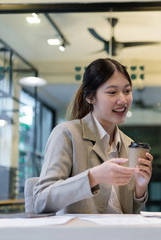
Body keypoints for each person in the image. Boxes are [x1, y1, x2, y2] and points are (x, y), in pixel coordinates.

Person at [33, 58, 153, 214]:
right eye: (112, 92)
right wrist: (93, 177)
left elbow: (130, 214)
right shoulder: (67, 134)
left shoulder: (128, 144)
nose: (123, 100)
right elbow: (40, 201)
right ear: (90, 97)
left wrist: (140, 189)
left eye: (127, 91)